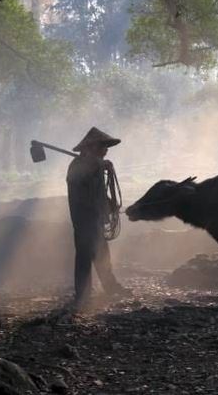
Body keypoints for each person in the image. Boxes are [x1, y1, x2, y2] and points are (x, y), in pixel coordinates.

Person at [66, 127, 129, 305]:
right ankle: (83, 296)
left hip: (95, 219)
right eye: (102, 146)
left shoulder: (95, 166)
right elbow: (82, 191)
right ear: (91, 147)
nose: (106, 150)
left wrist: (109, 204)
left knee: (102, 255)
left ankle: (110, 287)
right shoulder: (78, 166)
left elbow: (97, 192)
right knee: (85, 258)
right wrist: (101, 164)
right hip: (84, 220)